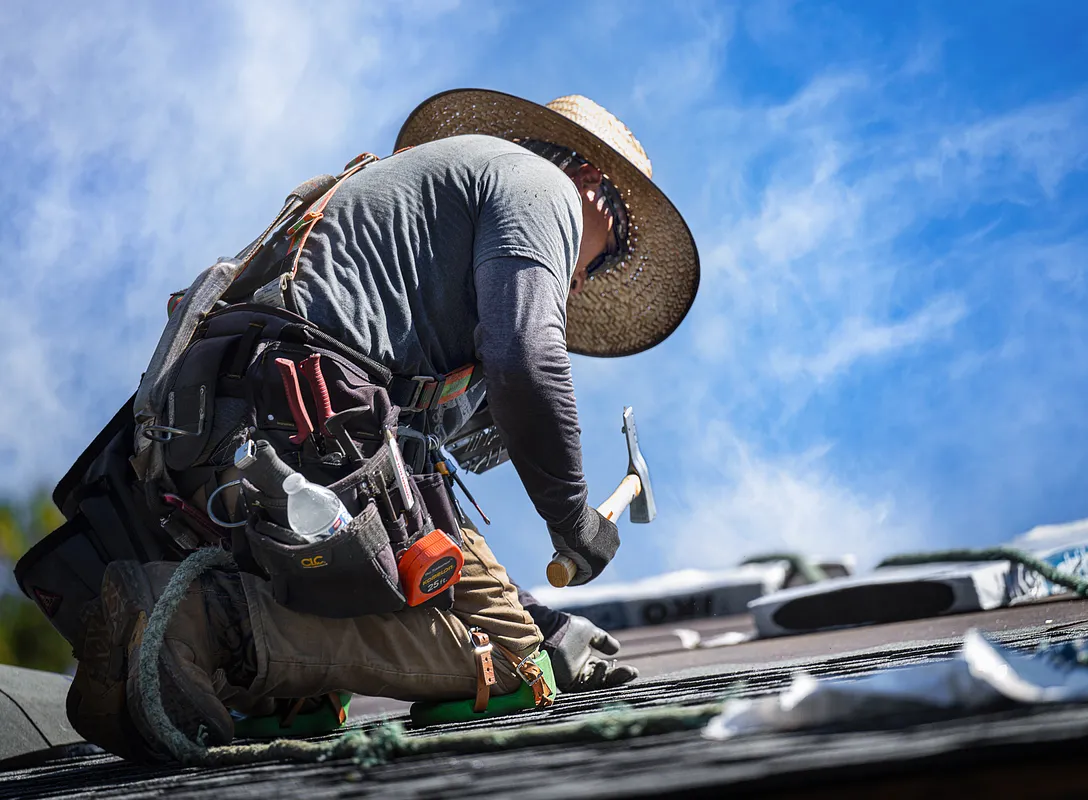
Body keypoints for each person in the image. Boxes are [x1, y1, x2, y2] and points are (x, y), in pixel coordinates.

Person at [64, 89, 700, 760]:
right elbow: (526, 356)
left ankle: (262, 681)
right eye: (606, 255)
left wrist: (540, 619)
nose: (578, 283)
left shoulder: (414, 219)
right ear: (595, 186)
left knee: (329, 695)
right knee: (516, 669)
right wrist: (573, 523)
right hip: (310, 427)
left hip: (221, 439)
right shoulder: (546, 188)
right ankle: (200, 623)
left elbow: (423, 493)